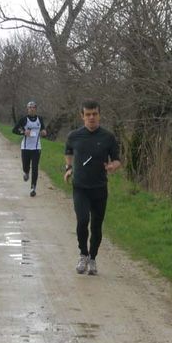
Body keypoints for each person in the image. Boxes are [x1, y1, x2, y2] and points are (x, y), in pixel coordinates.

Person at [64, 99, 121, 275]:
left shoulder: (108, 137)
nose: (91, 118)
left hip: (99, 188)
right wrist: (69, 168)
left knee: (96, 226)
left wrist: (113, 166)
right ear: (82, 116)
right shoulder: (74, 136)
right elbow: (68, 152)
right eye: (88, 114)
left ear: (99, 115)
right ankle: (83, 254)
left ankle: (93, 258)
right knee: (82, 221)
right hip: (80, 187)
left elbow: (118, 160)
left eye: (94, 114)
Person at [12, 101, 47, 197]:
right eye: (30, 107)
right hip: (26, 147)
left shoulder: (39, 119)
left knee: (35, 168)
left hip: (36, 148)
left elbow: (43, 130)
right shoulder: (24, 119)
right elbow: (14, 130)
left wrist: (44, 132)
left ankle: (33, 188)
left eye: (34, 107)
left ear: (36, 109)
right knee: (25, 166)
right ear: (27, 109)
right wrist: (23, 132)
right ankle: (26, 172)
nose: (32, 109)